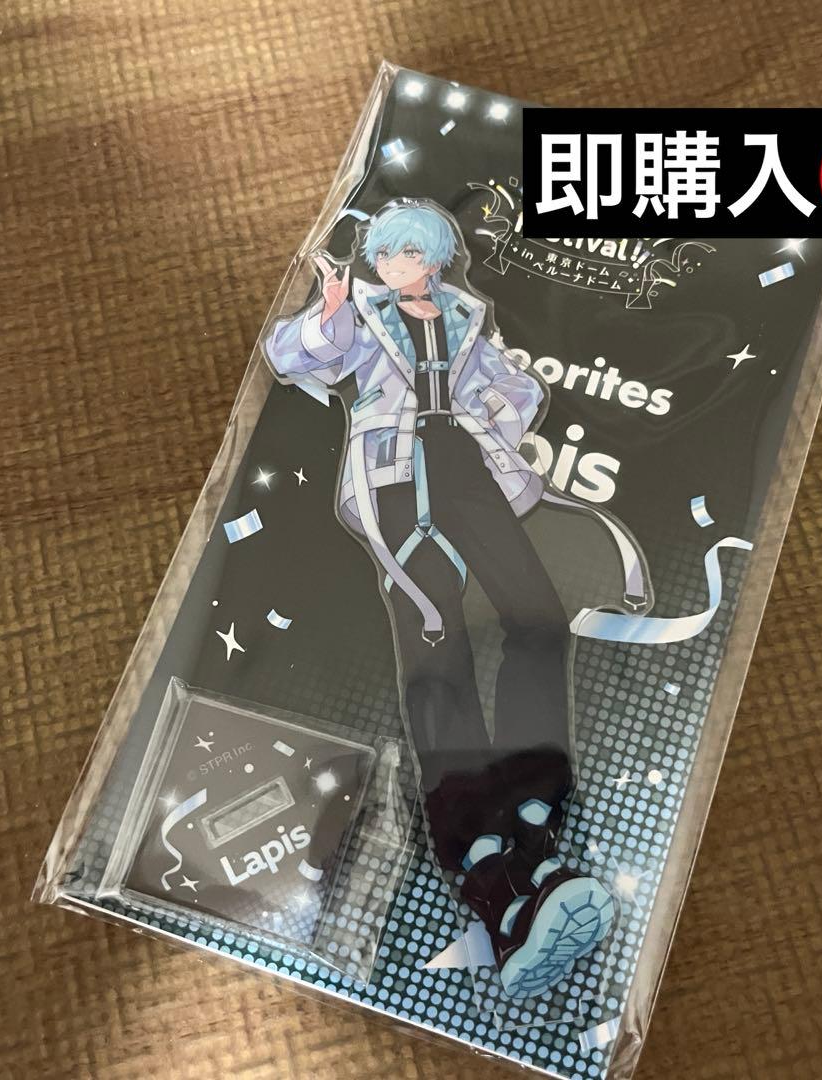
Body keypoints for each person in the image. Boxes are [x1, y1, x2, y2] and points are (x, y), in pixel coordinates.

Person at [264, 201, 619, 997]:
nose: (396, 267)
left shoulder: (463, 315)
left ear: (433, 258)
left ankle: (532, 814)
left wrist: (492, 415)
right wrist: (328, 313)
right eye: (385, 256)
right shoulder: (363, 316)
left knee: (538, 619)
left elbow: (513, 388)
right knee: (437, 654)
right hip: (394, 476)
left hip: (464, 463)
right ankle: (491, 868)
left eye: (408, 254)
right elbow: (290, 355)